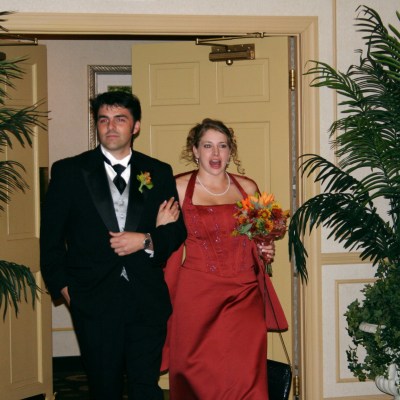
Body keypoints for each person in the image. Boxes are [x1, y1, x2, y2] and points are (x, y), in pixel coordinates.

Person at [40, 91, 187, 400]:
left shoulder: (158, 171)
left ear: (135, 126)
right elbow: (51, 242)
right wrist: (67, 291)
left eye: (120, 119)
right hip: (92, 300)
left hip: (146, 298)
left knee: (145, 388)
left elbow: (177, 231)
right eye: (103, 120)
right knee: (104, 388)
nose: (110, 126)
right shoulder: (69, 172)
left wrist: (145, 240)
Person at [161, 118, 288, 399]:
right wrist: (159, 226)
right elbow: (162, 239)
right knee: (198, 375)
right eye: (208, 146)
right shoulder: (177, 187)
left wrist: (265, 248)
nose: (216, 153)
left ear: (231, 152)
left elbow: (259, 237)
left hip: (244, 293)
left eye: (222, 146)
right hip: (196, 297)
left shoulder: (248, 188)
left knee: (245, 374)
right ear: (195, 151)